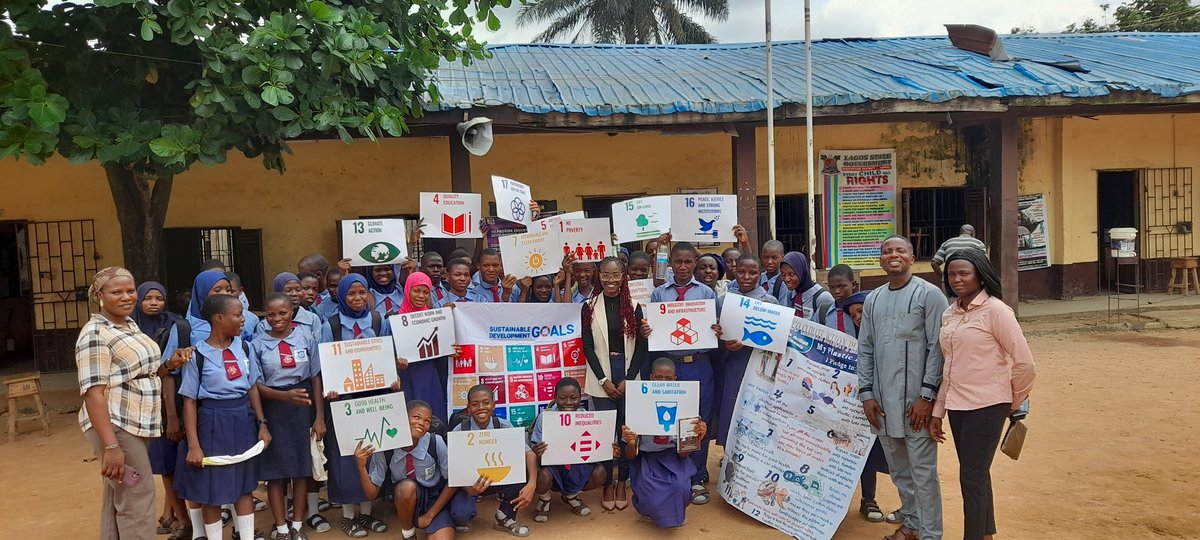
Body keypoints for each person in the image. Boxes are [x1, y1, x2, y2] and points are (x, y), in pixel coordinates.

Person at [930, 249, 1036, 540]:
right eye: (951, 274)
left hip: (989, 405)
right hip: (958, 407)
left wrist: (1012, 402)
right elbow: (948, 367)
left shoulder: (996, 311)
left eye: (964, 273)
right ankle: (986, 534)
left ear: (980, 274)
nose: (957, 279)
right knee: (975, 473)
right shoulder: (950, 313)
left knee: (971, 478)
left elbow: (1025, 362)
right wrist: (938, 411)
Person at [77, 267, 187, 540]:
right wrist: (111, 445)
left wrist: (168, 366)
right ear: (99, 296)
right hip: (116, 425)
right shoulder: (95, 333)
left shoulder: (128, 324)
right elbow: (93, 392)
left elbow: (141, 372)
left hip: (137, 421)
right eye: (116, 292)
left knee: (120, 493)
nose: (126, 297)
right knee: (138, 495)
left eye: (129, 291)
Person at [857, 235, 949, 540]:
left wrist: (926, 397)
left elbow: (938, 349)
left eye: (900, 250)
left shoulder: (930, 295)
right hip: (882, 403)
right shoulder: (873, 299)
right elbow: (866, 348)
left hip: (916, 404)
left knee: (922, 472)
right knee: (899, 471)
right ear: (881, 259)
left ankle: (931, 534)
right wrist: (866, 394)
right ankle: (912, 525)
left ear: (912, 258)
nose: (893, 255)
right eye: (887, 251)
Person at [175, 293, 271, 540]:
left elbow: (252, 388)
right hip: (212, 422)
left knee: (244, 486)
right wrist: (194, 445)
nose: (243, 320)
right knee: (212, 490)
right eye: (238, 315)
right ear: (219, 319)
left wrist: (262, 424)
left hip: (242, 421)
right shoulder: (197, 355)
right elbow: (189, 401)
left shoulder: (245, 347)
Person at [818, 267, 899, 525]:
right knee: (833, 444)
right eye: (832, 287)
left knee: (867, 444)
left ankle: (869, 499)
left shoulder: (870, 312)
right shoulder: (824, 312)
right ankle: (828, 501)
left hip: (867, 392)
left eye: (842, 286)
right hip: (835, 391)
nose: (837, 291)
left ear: (854, 284)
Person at [644, 240, 720, 504]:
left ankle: (697, 477)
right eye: (679, 262)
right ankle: (677, 473)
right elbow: (655, 331)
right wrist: (649, 331)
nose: (684, 267)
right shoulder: (659, 294)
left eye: (689, 262)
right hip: (671, 367)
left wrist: (718, 329)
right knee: (672, 419)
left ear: (695, 264)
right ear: (671, 264)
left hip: (700, 363)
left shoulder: (707, 294)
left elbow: (717, 327)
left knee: (698, 421)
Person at [318, 273, 393, 537]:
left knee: (373, 450)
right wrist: (331, 388)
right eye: (351, 294)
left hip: (373, 395)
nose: (358, 298)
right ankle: (348, 516)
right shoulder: (332, 325)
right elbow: (324, 363)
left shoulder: (377, 319)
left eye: (362, 293)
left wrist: (391, 378)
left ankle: (367, 514)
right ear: (341, 296)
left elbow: (387, 352)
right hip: (344, 399)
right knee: (347, 455)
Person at [253, 292, 325, 540]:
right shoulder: (257, 344)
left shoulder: (306, 337)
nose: (277, 318)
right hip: (274, 407)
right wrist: (281, 399)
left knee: (300, 469)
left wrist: (319, 417)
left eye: (282, 313)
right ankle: (281, 527)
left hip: (303, 406)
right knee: (276, 472)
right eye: (271, 314)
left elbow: (316, 377)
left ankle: (296, 526)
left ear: (292, 312)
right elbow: (255, 385)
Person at [582, 257, 648, 511]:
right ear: (599, 275)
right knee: (605, 433)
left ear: (624, 276)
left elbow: (642, 346)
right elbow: (587, 346)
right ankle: (608, 482)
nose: (611, 281)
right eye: (606, 275)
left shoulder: (635, 305)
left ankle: (623, 481)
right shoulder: (589, 306)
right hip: (602, 376)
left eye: (616, 275)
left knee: (626, 431)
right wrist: (603, 380)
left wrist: (629, 379)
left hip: (628, 373)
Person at [352, 400, 457, 540]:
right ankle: (408, 533)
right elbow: (371, 494)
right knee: (406, 487)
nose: (421, 423)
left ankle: (432, 519)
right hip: (405, 499)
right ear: (402, 418)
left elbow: (453, 481)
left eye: (427, 421)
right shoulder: (386, 447)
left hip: (434, 499)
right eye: (416, 417)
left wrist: (430, 515)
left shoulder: (435, 442)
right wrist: (360, 466)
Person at [622, 358, 707, 528]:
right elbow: (631, 456)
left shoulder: (685, 404)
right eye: (658, 377)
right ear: (651, 378)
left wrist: (696, 437)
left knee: (681, 487)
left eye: (668, 378)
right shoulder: (638, 403)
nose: (663, 382)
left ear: (675, 379)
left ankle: (675, 510)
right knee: (650, 493)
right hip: (646, 460)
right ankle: (647, 509)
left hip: (674, 459)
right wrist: (631, 443)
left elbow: (684, 453)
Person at [136, 281, 192, 536]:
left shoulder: (175, 324)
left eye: (159, 298)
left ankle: (184, 520)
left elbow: (169, 372)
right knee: (162, 461)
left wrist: (171, 415)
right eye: (148, 298)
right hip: (142, 401)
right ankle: (171, 512)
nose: (154, 303)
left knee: (171, 461)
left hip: (171, 400)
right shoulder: (130, 327)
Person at [448, 385, 538, 537]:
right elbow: (453, 468)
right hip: (470, 484)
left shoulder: (503, 425)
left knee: (524, 470)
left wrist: (532, 484)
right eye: (475, 404)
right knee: (461, 515)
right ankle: (462, 515)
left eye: (486, 402)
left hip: (498, 479)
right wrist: (468, 489)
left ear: (493, 405)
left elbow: (530, 454)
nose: (481, 408)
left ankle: (504, 516)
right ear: (468, 408)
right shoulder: (460, 430)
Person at [714, 254, 776, 447]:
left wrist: (748, 343)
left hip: (757, 365)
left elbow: (777, 340)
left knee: (754, 411)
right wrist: (719, 336)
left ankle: (753, 463)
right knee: (731, 409)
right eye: (741, 272)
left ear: (760, 273)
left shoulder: (770, 302)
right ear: (734, 272)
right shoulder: (723, 301)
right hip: (732, 364)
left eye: (752, 273)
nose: (746, 277)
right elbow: (715, 333)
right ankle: (728, 460)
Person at [529, 378, 609, 521]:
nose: (568, 403)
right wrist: (537, 450)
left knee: (600, 473)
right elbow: (534, 449)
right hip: (551, 467)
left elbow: (595, 448)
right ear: (555, 398)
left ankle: (571, 495)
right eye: (563, 398)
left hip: (575, 466)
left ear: (580, 398)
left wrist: (608, 449)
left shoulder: (586, 417)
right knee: (542, 476)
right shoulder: (545, 417)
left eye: (574, 398)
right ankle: (544, 498)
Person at [395, 271, 450, 421]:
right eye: (416, 290)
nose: (421, 296)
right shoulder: (393, 319)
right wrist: (397, 364)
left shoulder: (434, 318)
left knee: (433, 418)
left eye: (426, 292)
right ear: (407, 290)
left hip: (430, 376)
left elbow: (441, 347)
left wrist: (449, 350)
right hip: (406, 377)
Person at [260, 272, 323, 342]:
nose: (294, 294)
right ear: (278, 293)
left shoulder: (313, 319)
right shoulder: (264, 325)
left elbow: (317, 348)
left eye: (298, 290)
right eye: (288, 290)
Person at [777, 251, 835, 322]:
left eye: (791, 274)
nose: (786, 279)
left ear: (801, 272)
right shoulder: (791, 293)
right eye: (783, 274)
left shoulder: (822, 298)